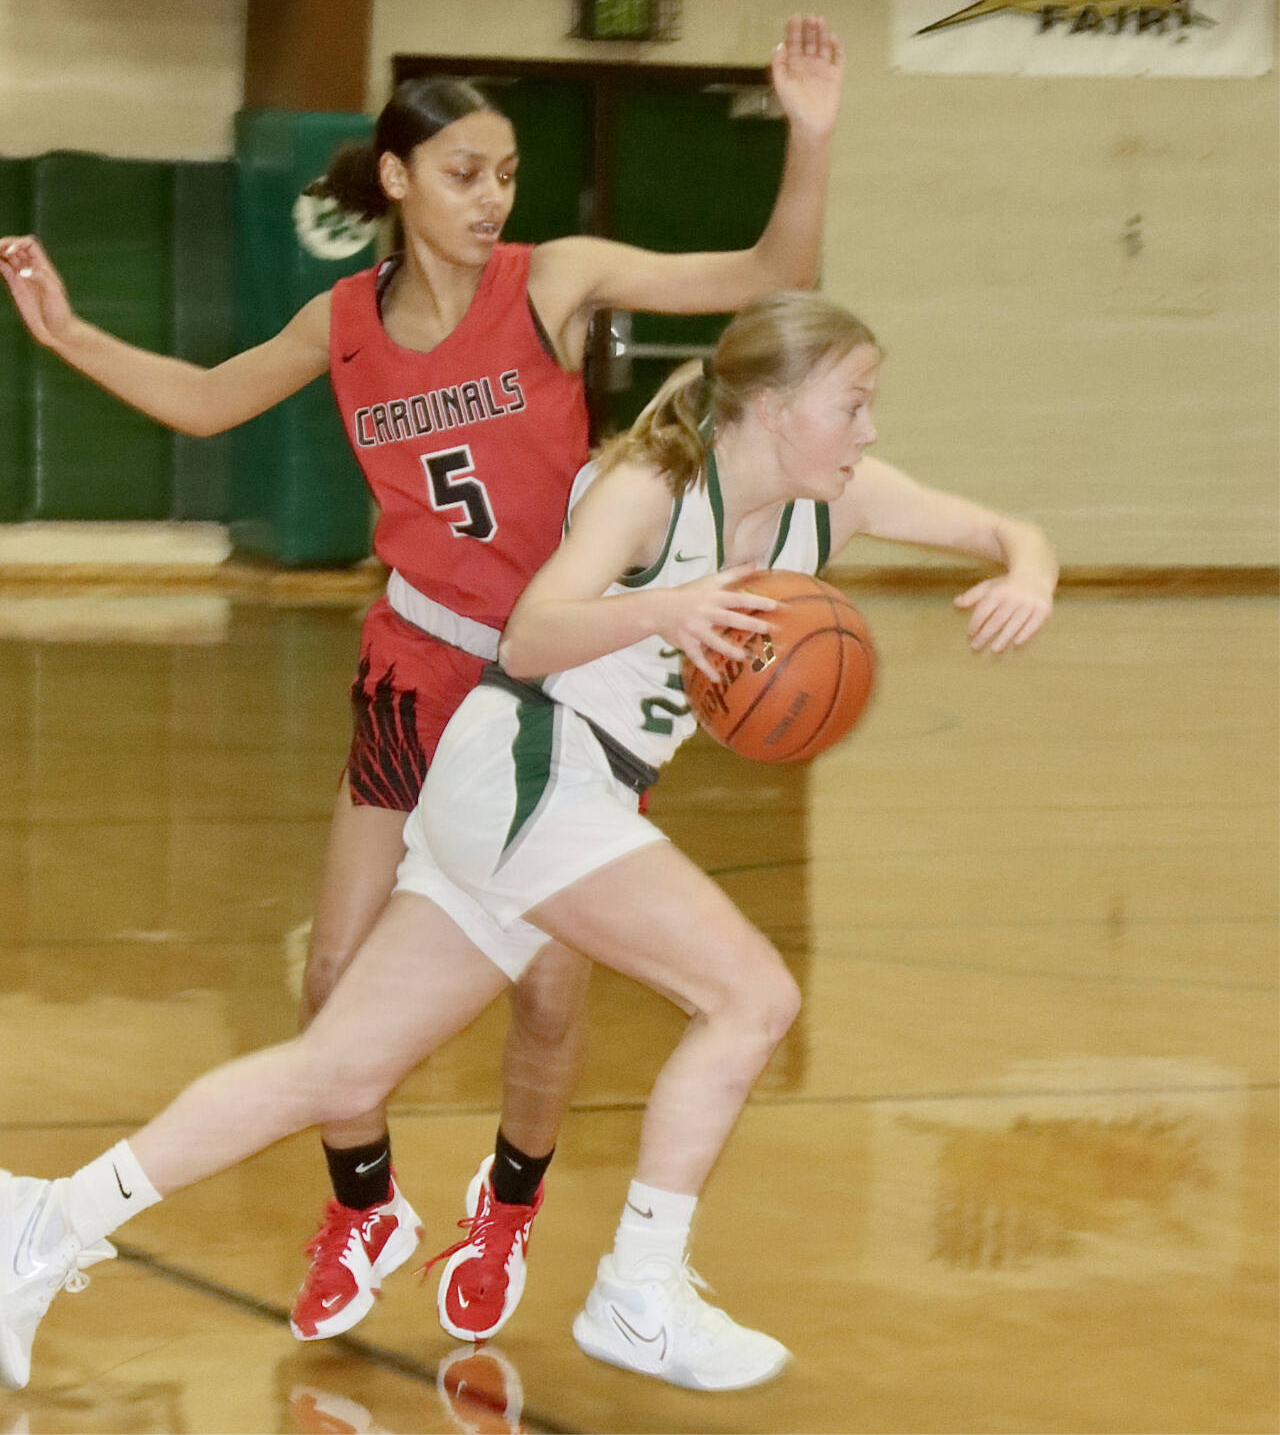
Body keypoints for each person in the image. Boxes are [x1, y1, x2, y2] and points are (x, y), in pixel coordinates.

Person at [0, 288, 1056, 1394]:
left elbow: (1001, 530)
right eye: (853, 403)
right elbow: (532, 635)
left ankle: (44, 1222)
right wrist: (667, 610)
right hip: (535, 763)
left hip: (532, 794)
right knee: (751, 999)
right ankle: (638, 1291)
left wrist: (1026, 571)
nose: (869, 430)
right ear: (777, 406)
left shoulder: (829, 502)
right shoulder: (650, 491)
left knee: (334, 1068)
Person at [0, 15, 845, 1346]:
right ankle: (365, 1205)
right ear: (396, 178)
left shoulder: (552, 280)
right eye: (463, 172)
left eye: (504, 173)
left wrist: (809, 138)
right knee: (333, 972)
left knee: (549, 996)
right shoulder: (343, 319)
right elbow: (211, 398)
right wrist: (70, 338)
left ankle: (507, 1203)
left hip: (552, 685)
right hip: (415, 663)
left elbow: (766, 270)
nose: (490, 196)